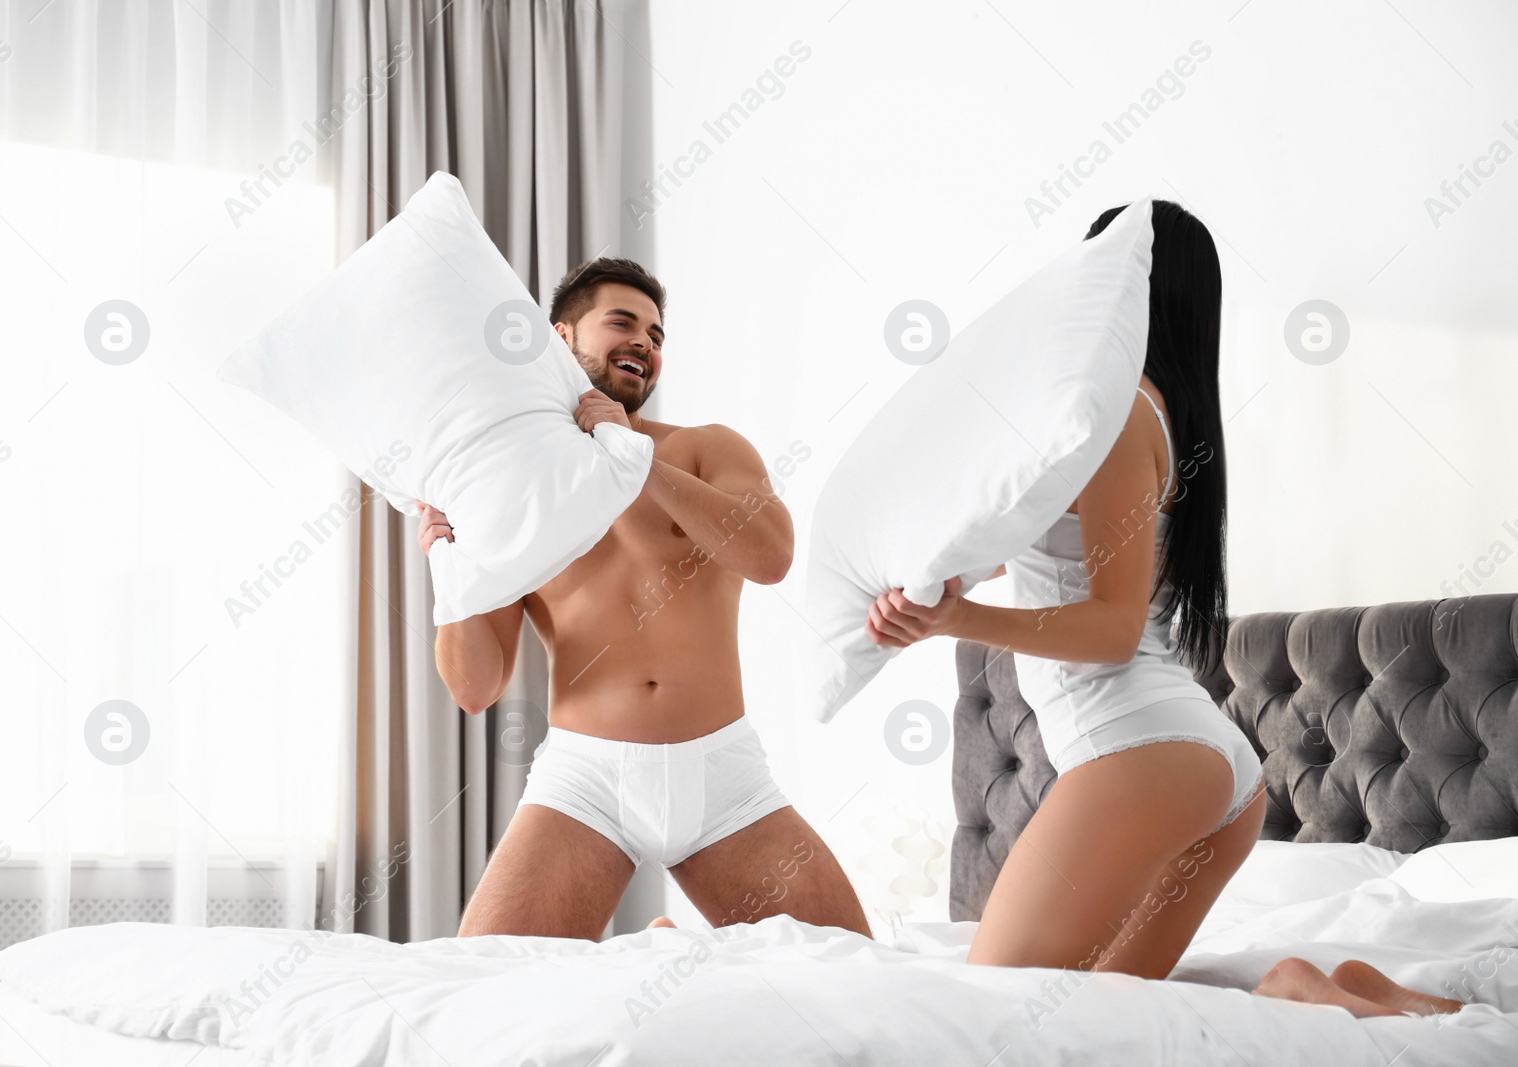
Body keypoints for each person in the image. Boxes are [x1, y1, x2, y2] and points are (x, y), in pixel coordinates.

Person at [860, 201, 1463, 1019]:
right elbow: (1050, 546)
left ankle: (1306, 990)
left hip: (1141, 750)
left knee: (991, 1013)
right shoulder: (1129, 414)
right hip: (1188, 765)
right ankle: (1303, 995)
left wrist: (951, 624)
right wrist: (956, 577)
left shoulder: (1120, 416)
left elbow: (1109, 630)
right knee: (1108, 1010)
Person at [417, 257, 869, 940]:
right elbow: (476, 686)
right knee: (487, 991)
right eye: (623, 322)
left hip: (725, 778)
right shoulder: (509, 487)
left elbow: (770, 555)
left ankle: (667, 957)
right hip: (585, 780)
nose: (646, 344)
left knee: (849, 975)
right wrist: (447, 568)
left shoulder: (701, 448)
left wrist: (633, 460)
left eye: (657, 336)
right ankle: (663, 955)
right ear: (561, 337)